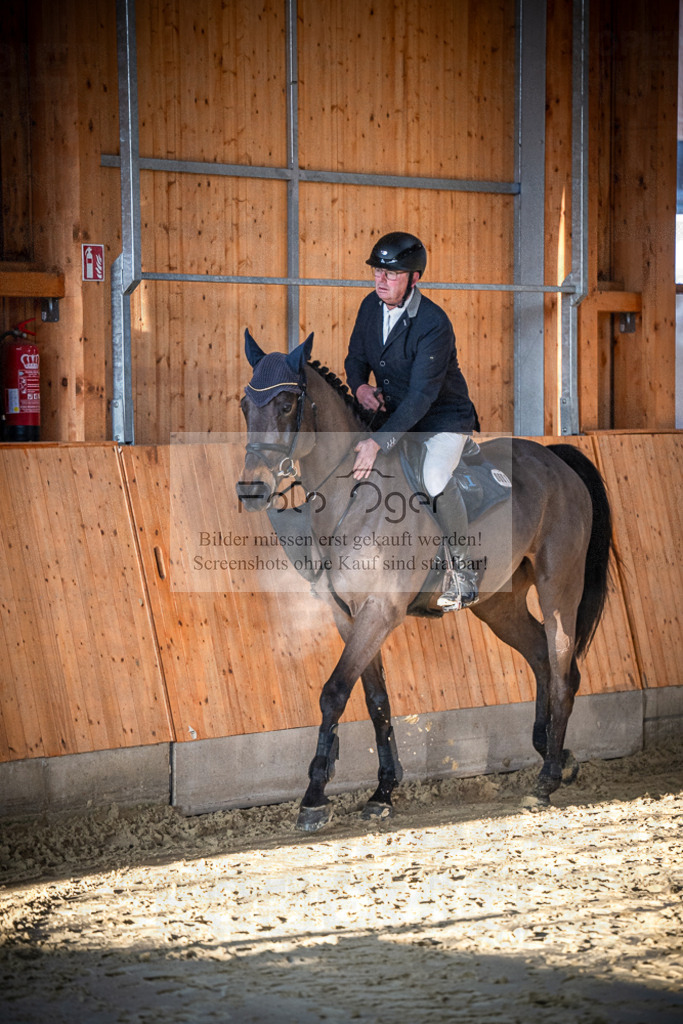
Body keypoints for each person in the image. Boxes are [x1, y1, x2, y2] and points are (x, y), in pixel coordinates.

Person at [344, 231, 481, 610]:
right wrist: (359, 388)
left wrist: (377, 441)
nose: (380, 281)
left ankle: (464, 572)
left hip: (441, 419)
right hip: (395, 414)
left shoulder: (434, 323)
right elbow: (355, 357)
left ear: (415, 278)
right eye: (377, 272)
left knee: (435, 479)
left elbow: (422, 396)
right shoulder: (369, 307)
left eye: (391, 274)